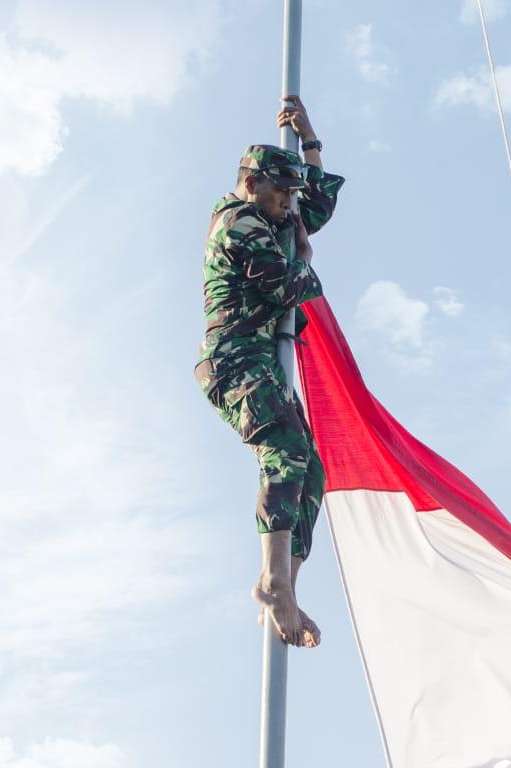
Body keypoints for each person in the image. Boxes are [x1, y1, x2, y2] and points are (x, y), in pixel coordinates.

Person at [194, 96, 344, 648]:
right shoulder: (238, 223)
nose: (288, 203)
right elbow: (291, 286)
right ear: (252, 183)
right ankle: (273, 579)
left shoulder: (275, 214)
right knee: (283, 448)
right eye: (280, 192)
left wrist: (310, 140)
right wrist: (302, 254)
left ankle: (285, 584)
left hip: (258, 359)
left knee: (310, 471)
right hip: (235, 360)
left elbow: (319, 207)